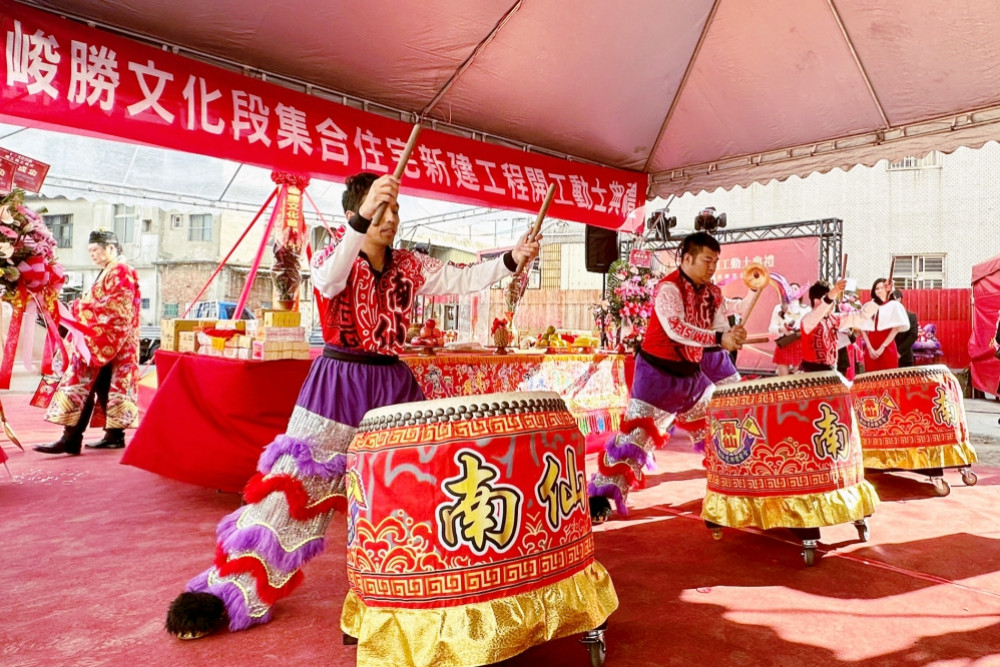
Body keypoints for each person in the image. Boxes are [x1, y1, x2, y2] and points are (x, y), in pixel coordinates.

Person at [165, 171, 541, 639]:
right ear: (355, 215)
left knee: (411, 491)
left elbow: (464, 279)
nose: (390, 220)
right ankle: (230, 592)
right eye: (380, 210)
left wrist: (511, 259)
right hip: (337, 384)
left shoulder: (409, 264)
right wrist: (361, 220)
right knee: (291, 494)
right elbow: (326, 280)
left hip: (393, 387)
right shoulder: (332, 257)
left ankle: (406, 595)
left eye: (395, 211)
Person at [588, 232, 746, 522]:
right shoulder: (668, 288)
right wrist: (719, 337)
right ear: (687, 258)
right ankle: (598, 499)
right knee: (633, 442)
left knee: (723, 422)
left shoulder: (713, 294)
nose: (712, 267)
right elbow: (677, 328)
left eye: (716, 261)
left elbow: (720, 325)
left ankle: (733, 486)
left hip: (692, 378)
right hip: (657, 378)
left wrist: (731, 335)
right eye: (707, 260)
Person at [34, 230, 140, 455]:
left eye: (95, 250)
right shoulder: (110, 270)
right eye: (90, 250)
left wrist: (77, 308)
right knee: (99, 386)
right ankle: (104, 436)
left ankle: (74, 438)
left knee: (89, 385)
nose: (92, 254)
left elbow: (117, 308)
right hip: (103, 339)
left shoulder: (122, 271)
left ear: (110, 248)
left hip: (112, 340)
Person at [799, 279, 867, 372]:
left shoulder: (834, 318)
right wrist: (834, 291)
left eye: (833, 300)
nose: (833, 304)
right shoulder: (808, 320)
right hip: (811, 374)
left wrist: (878, 300)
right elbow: (823, 308)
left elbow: (861, 316)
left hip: (831, 372)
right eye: (830, 300)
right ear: (817, 301)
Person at [859, 278, 909, 372]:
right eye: (877, 288)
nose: (879, 290)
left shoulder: (894, 305)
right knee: (871, 379)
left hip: (888, 347)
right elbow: (863, 328)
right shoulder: (868, 306)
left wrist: (883, 347)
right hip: (871, 348)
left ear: (887, 289)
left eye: (882, 288)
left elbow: (895, 329)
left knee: (888, 379)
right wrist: (869, 348)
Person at [768, 282, 809, 375]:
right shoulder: (779, 308)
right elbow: (771, 328)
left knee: (798, 380)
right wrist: (782, 329)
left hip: (800, 345)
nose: (793, 290)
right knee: (783, 380)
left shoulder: (806, 309)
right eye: (790, 288)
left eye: (796, 289)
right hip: (784, 343)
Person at [892, 289, 920, 367]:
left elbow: (913, 335)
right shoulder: (886, 317)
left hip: (905, 357)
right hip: (888, 357)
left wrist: (899, 352)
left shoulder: (910, 316)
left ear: (899, 299)